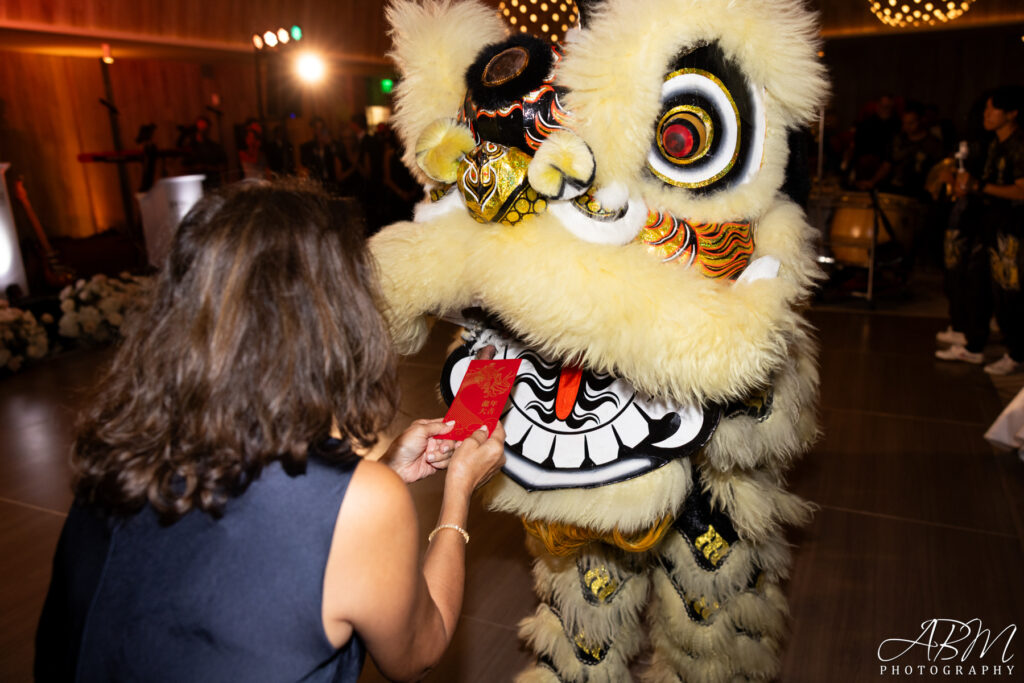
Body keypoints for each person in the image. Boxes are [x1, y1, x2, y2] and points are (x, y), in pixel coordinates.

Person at [34, 179, 506, 682]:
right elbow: (420, 649)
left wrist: (377, 474)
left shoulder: (118, 451)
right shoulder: (367, 504)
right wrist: (457, 489)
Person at [936, 86, 1024, 375]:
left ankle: (1016, 353)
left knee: (1007, 291)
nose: (986, 115)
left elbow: (1020, 192)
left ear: (1011, 113)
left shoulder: (1018, 145)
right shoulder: (995, 143)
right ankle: (974, 345)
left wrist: (979, 187)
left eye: (992, 109)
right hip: (990, 222)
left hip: (1012, 226)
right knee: (979, 286)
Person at [300, 116, 338, 191]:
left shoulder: (331, 144)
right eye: (317, 128)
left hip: (332, 181)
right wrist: (316, 151)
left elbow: (339, 158)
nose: (320, 131)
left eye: (322, 128)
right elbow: (304, 162)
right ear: (313, 130)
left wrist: (330, 145)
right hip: (316, 183)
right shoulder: (307, 146)